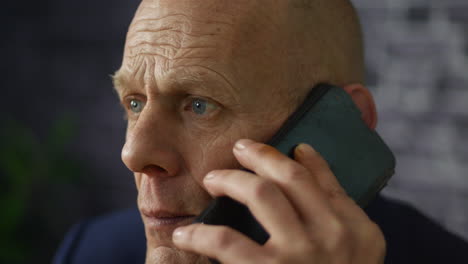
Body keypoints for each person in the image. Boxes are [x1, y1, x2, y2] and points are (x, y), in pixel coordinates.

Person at [53, 0, 468, 263]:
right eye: (134, 103)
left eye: (200, 105)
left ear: (344, 123)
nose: (133, 153)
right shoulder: (92, 249)